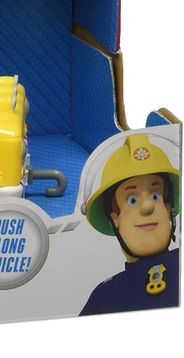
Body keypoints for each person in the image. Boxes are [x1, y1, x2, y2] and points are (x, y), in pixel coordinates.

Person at [80, 133, 179, 315]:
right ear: (114, 218)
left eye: (155, 196)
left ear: (168, 209)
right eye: (132, 199)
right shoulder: (104, 296)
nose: (148, 206)